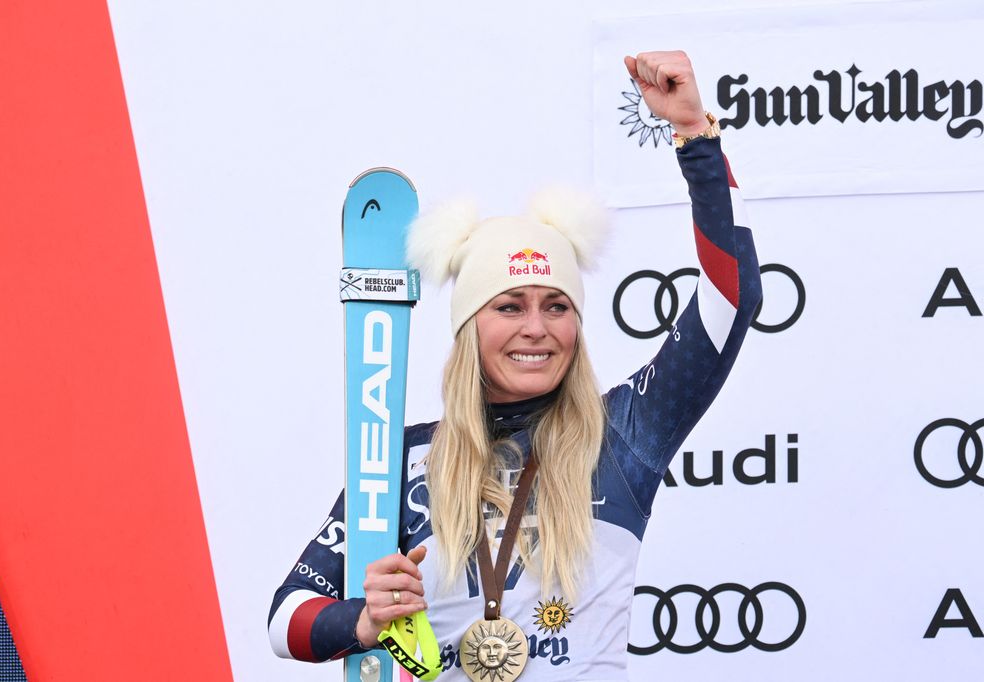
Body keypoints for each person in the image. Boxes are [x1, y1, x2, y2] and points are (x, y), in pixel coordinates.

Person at [269, 50, 762, 680]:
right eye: (509, 306)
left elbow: (734, 297)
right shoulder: (402, 460)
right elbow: (286, 619)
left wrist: (694, 134)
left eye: (557, 306)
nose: (536, 327)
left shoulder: (626, 433)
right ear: (471, 327)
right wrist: (362, 619)